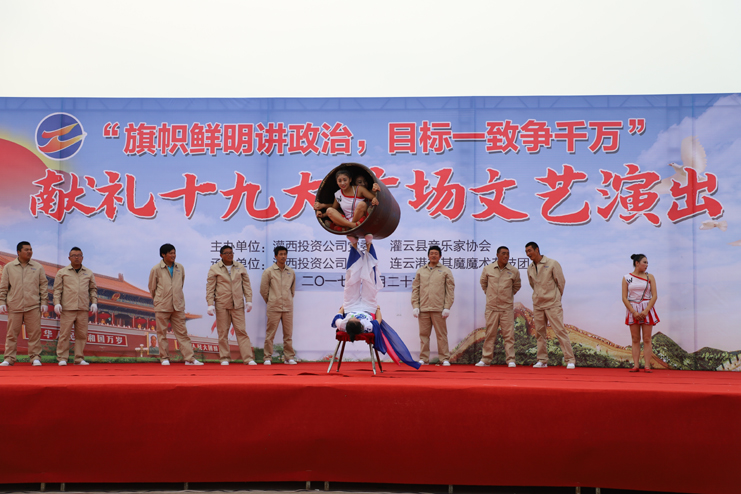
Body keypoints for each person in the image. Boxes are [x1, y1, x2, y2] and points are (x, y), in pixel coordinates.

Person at [332, 235, 420, 370]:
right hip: (368, 307)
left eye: (351, 319)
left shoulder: (342, 325)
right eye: (356, 320)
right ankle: (369, 244)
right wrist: (378, 309)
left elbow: (337, 315)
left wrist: (343, 307)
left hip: (350, 306)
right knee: (370, 280)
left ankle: (354, 244)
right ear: (360, 323)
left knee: (350, 279)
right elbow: (378, 320)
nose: (354, 318)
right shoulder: (367, 326)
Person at [147, 244, 203, 366]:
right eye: (170, 253)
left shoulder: (180, 267)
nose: (173, 255)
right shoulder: (156, 269)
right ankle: (164, 358)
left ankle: (189, 359)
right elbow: (152, 288)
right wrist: (159, 299)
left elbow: (180, 284)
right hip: (162, 306)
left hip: (178, 306)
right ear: (163, 254)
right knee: (162, 333)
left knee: (182, 333)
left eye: (174, 253)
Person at [525, 242, 575, 369]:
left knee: (559, 331)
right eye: (526, 252)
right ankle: (542, 360)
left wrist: (556, 297)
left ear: (537, 249)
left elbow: (561, 282)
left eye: (530, 250)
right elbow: (533, 285)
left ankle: (570, 360)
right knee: (539, 333)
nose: (528, 254)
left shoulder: (552, 263)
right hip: (538, 304)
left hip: (552, 303)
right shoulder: (530, 268)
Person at [206, 245, 256, 366]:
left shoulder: (240, 266)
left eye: (231, 253)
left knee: (241, 331)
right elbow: (210, 287)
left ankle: (248, 358)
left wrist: (249, 300)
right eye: (227, 253)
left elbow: (246, 285)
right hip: (222, 305)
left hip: (238, 305)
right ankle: (224, 358)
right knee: (223, 333)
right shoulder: (214, 268)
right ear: (221, 255)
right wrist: (210, 304)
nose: (230, 255)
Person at [0, 241, 48, 366]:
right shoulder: (9, 267)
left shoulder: (38, 267)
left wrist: (44, 302)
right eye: (26, 249)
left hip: (33, 305)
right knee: (11, 334)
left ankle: (35, 357)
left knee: (34, 333)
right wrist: (2, 301)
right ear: (18, 252)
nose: (29, 251)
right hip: (14, 305)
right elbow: (3, 286)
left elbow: (43, 286)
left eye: (31, 249)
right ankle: (9, 358)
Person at [476, 246, 521, 367]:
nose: (506, 256)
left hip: (506, 308)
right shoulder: (488, 268)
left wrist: (507, 295)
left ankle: (511, 360)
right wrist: (491, 295)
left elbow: (516, 286)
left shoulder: (514, 271)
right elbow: (483, 283)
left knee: (509, 335)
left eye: (508, 254)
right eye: (503, 253)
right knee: (490, 334)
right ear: (497, 255)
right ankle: (486, 359)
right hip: (492, 307)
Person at [53, 247, 98, 366]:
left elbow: (92, 289)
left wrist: (94, 302)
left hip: (83, 308)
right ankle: (62, 358)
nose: (76, 257)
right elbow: (57, 289)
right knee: (64, 334)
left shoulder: (88, 273)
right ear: (69, 258)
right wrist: (57, 303)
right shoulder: (62, 272)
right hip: (67, 308)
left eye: (79, 255)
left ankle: (79, 358)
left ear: (82, 257)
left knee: (81, 334)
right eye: (74, 255)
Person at [412, 245, 455, 366]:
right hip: (423, 308)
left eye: (436, 253)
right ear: (428, 256)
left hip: (438, 309)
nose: (433, 255)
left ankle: (444, 358)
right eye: (431, 253)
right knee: (424, 335)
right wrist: (415, 306)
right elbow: (415, 289)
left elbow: (450, 291)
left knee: (441, 335)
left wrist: (447, 307)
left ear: (440, 256)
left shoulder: (445, 271)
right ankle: (424, 358)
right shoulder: (421, 271)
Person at [622, 254, 659, 373]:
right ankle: (636, 365)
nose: (647, 265)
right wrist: (633, 312)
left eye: (647, 263)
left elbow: (654, 296)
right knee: (635, 338)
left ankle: (647, 365)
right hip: (632, 309)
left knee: (647, 339)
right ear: (637, 263)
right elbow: (624, 297)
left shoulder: (650, 277)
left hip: (646, 308)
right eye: (644, 262)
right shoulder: (627, 278)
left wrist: (646, 310)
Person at [260, 246, 296, 365]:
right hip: (273, 307)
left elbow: (292, 290)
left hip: (288, 308)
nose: (283, 256)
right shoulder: (268, 271)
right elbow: (263, 290)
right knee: (270, 334)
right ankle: (267, 357)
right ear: (275, 256)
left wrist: (287, 300)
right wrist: (271, 300)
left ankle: (289, 357)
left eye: (285, 254)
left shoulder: (291, 272)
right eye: (280, 254)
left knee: (288, 334)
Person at [314, 168, 379, 231]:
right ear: (337, 182)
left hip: (359, 219)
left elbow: (373, 197)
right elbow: (334, 208)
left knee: (362, 204)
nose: (342, 183)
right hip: (345, 221)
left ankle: (347, 228)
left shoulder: (359, 189)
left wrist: (374, 199)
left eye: (345, 180)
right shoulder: (338, 194)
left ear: (350, 180)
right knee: (329, 210)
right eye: (339, 181)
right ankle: (352, 226)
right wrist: (323, 214)